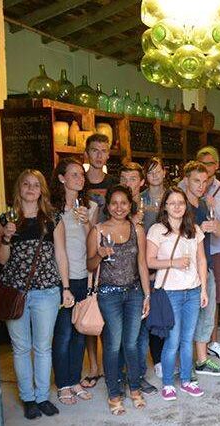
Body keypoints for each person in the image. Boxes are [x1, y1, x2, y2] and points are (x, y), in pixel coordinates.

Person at [0, 170, 70, 420]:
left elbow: (61, 254)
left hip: (47, 291)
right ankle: (28, 398)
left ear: (42, 190)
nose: (30, 188)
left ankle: (42, 397)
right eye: (26, 184)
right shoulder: (7, 218)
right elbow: (2, 260)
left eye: (35, 185)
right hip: (15, 290)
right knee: (20, 348)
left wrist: (66, 287)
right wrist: (6, 237)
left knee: (42, 348)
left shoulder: (51, 218)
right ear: (19, 188)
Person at [86, 185, 150, 415]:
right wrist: (99, 254)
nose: (119, 207)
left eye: (124, 203)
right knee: (113, 346)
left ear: (130, 205)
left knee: (131, 344)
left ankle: (134, 389)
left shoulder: (137, 229)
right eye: (114, 203)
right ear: (108, 206)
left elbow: (142, 264)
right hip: (108, 295)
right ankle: (114, 394)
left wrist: (147, 294)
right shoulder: (98, 231)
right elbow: (89, 266)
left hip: (134, 293)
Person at [146, 187, 209, 401]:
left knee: (187, 338)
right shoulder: (156, 230)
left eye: (180, 203)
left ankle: (186, 380)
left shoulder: (193, 229)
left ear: (186, 206)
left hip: (192, 290)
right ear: (165, 206)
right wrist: (174, 263)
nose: (177, 207)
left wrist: (204, 289)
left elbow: (202, 260)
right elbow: (149, 261)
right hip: (170, 293)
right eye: (172, 203)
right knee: (172, 340)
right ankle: (167, 384)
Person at [180, 147, 220, 365]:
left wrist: (215, 227)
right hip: (185, 267)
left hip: (207, 264)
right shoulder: (179, 204)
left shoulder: (204, 203)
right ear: (187, 181)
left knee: (207, 311)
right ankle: (185, 362)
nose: (201, 186)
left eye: (204, 182)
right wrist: (199, 229)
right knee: (187, 316)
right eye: (196, 181)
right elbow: (176, 237)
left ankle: (202, 359)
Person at [50, 159, 98, 406]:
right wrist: (64, 285)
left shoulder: (89, 207)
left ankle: (76, 379)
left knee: (80, 331)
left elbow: (95, 244)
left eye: (82, 175)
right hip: (62, 279)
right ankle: (63, 383)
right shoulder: (52, 209)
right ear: (61, 178)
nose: (80, 179)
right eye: (74, 174)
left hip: (82, 276)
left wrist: (87, 221)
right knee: (64, 334)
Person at [117, 162, 157, 394]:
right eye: (124, 179)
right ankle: (120, 376)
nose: (128, 183)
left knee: (141, 332)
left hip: (142, 279)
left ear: (142, 182)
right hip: (118, 280)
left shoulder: (149, 210)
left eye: (133, 179)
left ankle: (138, 375)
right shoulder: (114, 206)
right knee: (119, 333)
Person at [82, 133, 118, 386]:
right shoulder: (78, 181)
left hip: (110, 251)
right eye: (94, 150)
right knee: (88, 308)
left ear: (107, 155)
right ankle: (93, 366)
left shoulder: (113, 182)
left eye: (103, 151)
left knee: (106, 310)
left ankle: (108, 364)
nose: (98, 155)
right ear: (87, 153)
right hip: (84, 250)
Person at [139, 157, 168, 381]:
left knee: (171, 312)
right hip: (149, 261)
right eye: (150, 172)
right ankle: (157, 360)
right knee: (154, 314)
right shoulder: (140, 201)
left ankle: (169, 357)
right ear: (145, 177)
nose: (155, 175)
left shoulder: (173, 197)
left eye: (157, 171)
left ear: (164, 172)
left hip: (171, 262)